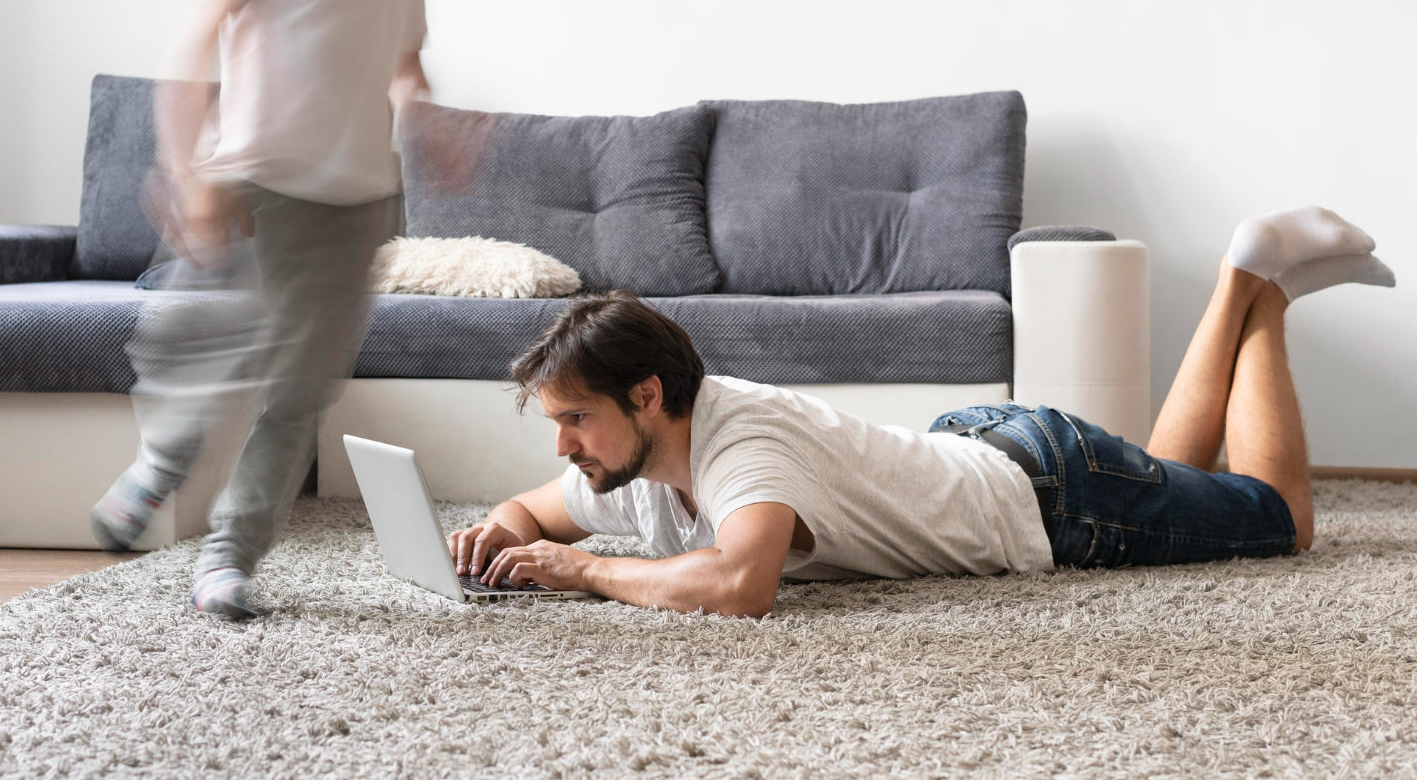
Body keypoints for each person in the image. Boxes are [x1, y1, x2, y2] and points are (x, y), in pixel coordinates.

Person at [447, 207, 1396, 618]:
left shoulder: (744, 444)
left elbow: (743, 586)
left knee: (1278, 520)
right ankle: (1249, 284)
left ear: (646, 396)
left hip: (1047, 497)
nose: (563, 446)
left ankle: (1258, 284)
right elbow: (531, 512)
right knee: (1166, 477)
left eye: (572, 418)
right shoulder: (637, 459)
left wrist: (586, 572)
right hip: (989, 451)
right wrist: (497, 538)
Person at [89, 0, 438, 620]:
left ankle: (229, 559)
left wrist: (436, 126)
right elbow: (195, 43)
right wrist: (188, 173)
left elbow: (405, 70)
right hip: (254, 185)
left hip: (356, 204)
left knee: (299, 394)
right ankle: (159, 465)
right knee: (201, 349)